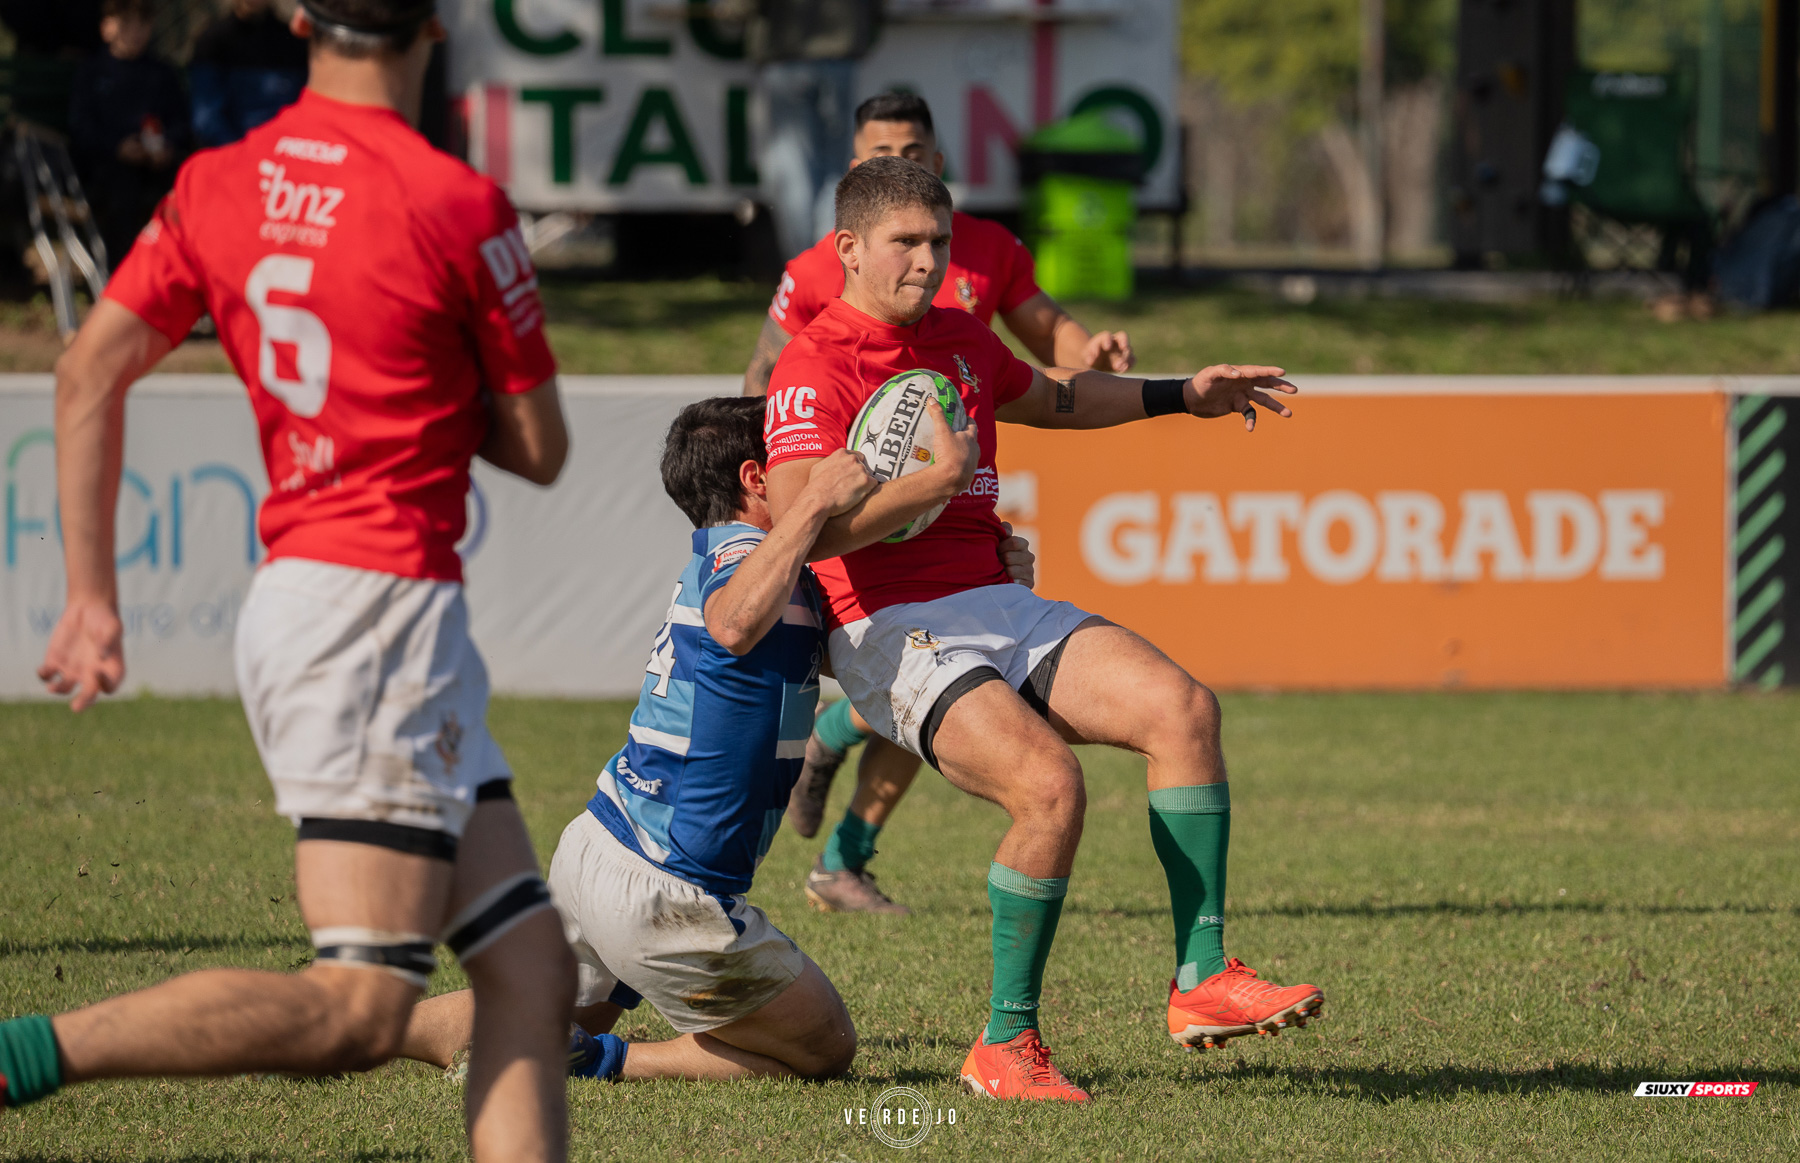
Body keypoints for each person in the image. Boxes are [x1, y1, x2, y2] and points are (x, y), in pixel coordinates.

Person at [6, 3, 577, 1158]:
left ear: (301, 17)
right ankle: (25, 1054)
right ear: (429, 22)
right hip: (377, 611)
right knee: (359, 1009)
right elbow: (541, 449)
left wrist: (91, 596)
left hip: (325, 598)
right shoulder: (457, 202)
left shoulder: (222, 179)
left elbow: (85, 372)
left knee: (528, 966)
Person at [761, 155, 1325, 1101]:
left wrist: (1185, 393)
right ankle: (1006, 1045)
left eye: (938, 243)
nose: (928, 261)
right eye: (906, 243)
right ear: (849, 249)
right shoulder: (814, 365)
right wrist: (930, 487)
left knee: (1182, 708)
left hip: (997, 600)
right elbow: (793, 525)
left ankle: (1203, 978)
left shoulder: (958, 338)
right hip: (886, 623)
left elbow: (1058, 397)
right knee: (1048, 784)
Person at [397, 397, 1038, 1083]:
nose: (814, 467)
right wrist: (814, 504)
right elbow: (734, 621)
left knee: (552, 1008)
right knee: (825, 1047)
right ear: (760, 479)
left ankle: (362, 1020)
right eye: (800, 459)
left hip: (601, 845)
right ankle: (593, 1063)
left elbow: (881, 655)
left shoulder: (763, 570)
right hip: (666, 888)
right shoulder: (745, 556)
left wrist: (988, 591)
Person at [744, 91, 1136, 916]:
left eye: (916, 151)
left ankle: (844, 836)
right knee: (939, 684)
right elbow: (769, 386)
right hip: (866, 516)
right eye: (883, 151)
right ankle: (842, 750)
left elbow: (1047, 347)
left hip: (962, 500)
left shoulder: (986, 248)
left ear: (940, 161)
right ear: (854, 174)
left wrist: (1091, 352)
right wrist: (786, 496)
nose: (904, 164)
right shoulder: (819, 272)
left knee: (959, 684)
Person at [748, 0, 880, 261]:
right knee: (835, 168)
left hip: (787, 50)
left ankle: (806, 266)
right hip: (840, 50)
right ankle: (828, 263)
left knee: (794, 168)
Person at [67, 0, 190, 269]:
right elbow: (81, 128)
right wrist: (116, 148)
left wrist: (167, 147)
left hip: (156, 163)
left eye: (142, 24)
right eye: (125, 23)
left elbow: (181, 122)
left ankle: (173, 270)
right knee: (121, 192)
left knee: (184, 188)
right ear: (106, 28)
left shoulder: (162, 74)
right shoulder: (92, 72)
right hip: (106, 166)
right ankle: (120, 275)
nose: (134, 31)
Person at [189, 0, 310, 148]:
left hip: (286, 150)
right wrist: (243, 154)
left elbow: (306, 108)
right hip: (235, 153)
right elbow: (207, 118)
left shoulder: (294, 42)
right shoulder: (212, 42)